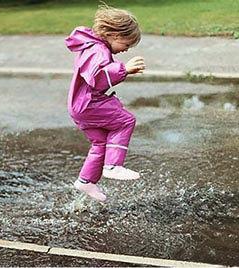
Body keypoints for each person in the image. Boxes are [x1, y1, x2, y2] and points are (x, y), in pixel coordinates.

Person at [65, 4, 145, 202]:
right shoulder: (98, 50)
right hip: (88, 104)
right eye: (126, 45)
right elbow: (98, 76)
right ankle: (113, 166)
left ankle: (86, 181)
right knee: (126, 121)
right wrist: (124, 69)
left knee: (100, 142)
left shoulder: (93, 46)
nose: (126, 50)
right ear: (115, 35)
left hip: (79, 106)